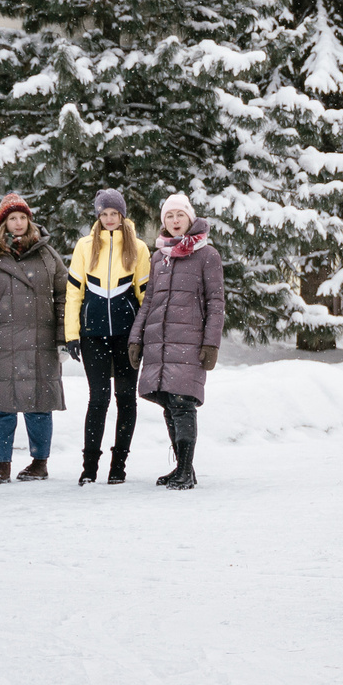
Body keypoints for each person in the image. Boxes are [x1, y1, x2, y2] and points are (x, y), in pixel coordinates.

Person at [0, 192, 67, 482]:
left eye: (23, 217)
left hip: (41, 341)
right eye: (12, 218)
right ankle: (3, 465)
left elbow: (64, 294)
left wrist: (63, 338)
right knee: (2, 408)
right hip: (0, 344)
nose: (18, 222)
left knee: (39, 406)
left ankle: (39, 462)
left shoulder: (47, 253)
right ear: (4, 222)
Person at [127, 192, 223, 490]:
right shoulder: (160, 256)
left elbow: (216, 302)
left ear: (190, 218)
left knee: (183, 403)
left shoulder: (207, 255)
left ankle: (184, 469)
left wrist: (211, 343)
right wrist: (136, 339)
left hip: (189, 341)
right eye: (169, 216)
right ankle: (185, 469)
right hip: (160, 341)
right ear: (164, 222)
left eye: (180, 215)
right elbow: (150, 301)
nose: (175, 220)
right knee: (169, 403)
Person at [67, 189, 148, 485]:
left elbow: (145, 295)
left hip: (127, 335)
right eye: (104, 214)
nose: (110, 219)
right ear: (98, 216)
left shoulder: (138, 247)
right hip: (93, 334)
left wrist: (144, 336)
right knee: (98, 399)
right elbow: (74, 292)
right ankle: (89, 467)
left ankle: (119, 465)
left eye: (114, 213)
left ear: (122, 215)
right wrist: (71, 334)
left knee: (126, 398)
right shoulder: (85, 246)